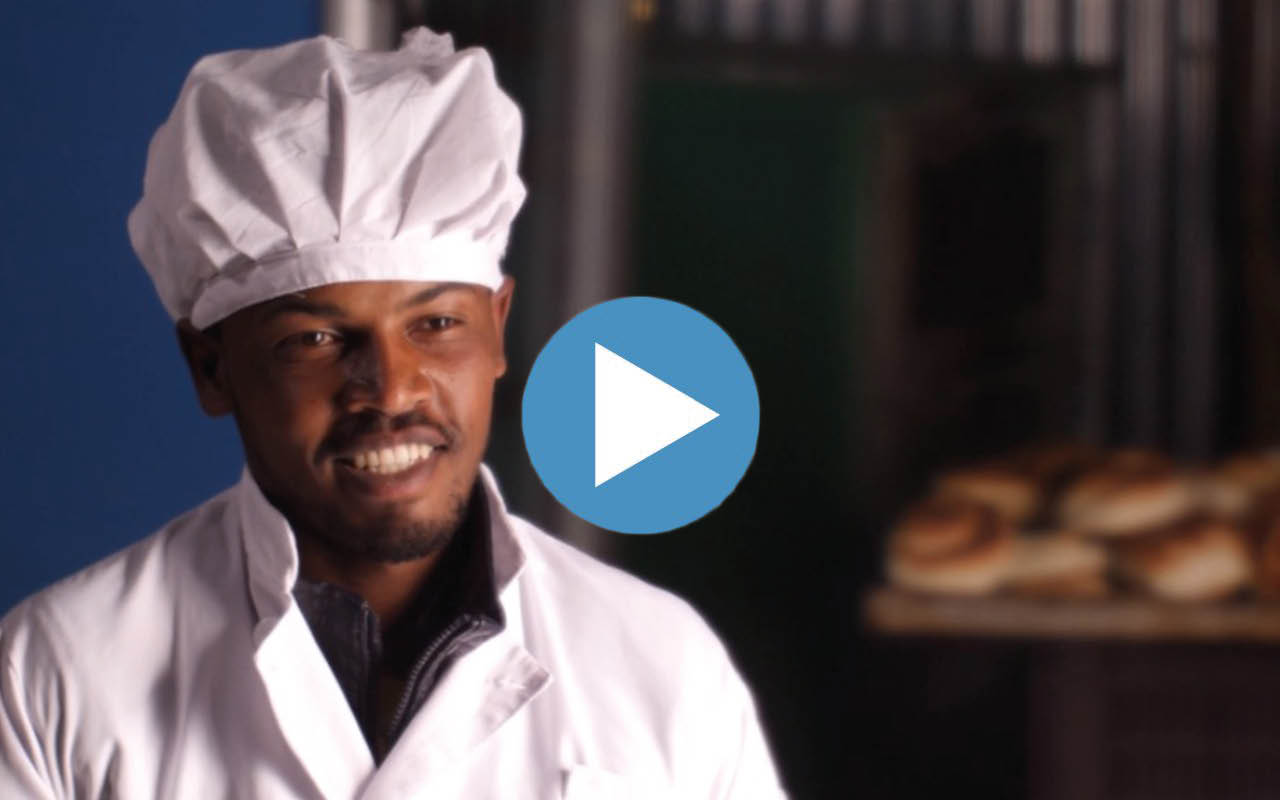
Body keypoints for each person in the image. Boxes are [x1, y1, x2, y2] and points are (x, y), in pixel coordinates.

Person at [0, 28, 786, 799]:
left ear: (498, 330)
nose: (391, 389)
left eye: (435, 324)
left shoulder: (664, 667)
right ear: (211, 367)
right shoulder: (57, 675)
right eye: (312, 338)